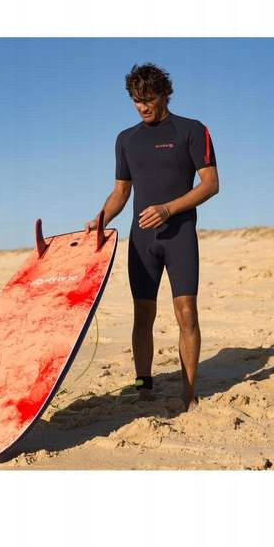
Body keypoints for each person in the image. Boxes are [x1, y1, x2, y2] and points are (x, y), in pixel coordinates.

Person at [85, 63, 219, 411]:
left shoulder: (192, 130)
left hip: (179, 236)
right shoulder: (126, 140)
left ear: (165, 94)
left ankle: (188, 393)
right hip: (142, 241)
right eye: (136, 100)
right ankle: (144, 386)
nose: (142, 106)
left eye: (149, 99)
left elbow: (210, 184)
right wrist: (99, 220)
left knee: (186, 313)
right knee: (142, 313)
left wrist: (168, 209)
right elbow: (121, 192)